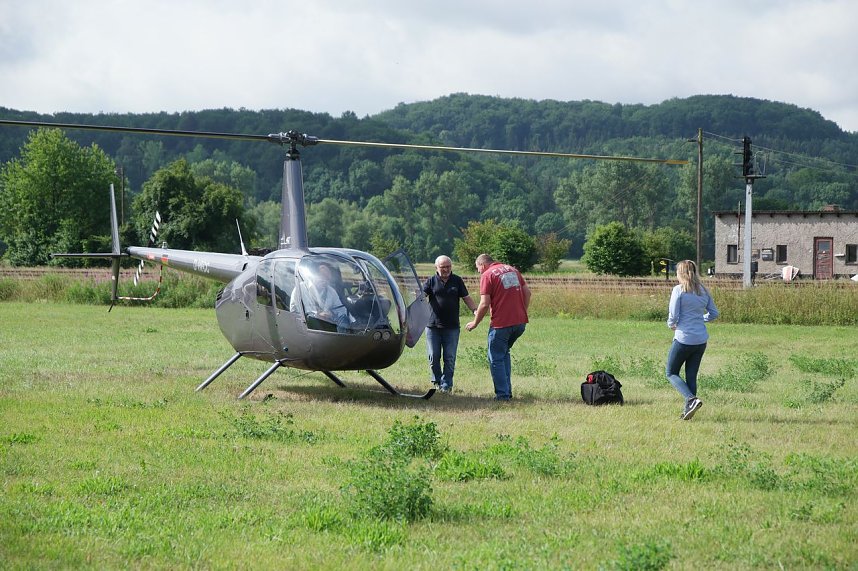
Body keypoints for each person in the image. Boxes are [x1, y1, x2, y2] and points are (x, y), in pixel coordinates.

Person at [465, 254, 531, 401]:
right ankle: (507, 391)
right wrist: (522, 311)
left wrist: (475, 323)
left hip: (501, 324)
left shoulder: (488, 275)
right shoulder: (512, 270)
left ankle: (502, 395)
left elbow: (484, 303)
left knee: (495, 358)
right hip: (520, 323)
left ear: (482, 265)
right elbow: (527, 292)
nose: (478, 272)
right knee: (503, 353)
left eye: (478, 269)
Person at [666, 259, 719, 420]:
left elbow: (673, 315)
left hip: (684, 338)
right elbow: (714, 313)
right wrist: (700, 318)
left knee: (671, 372)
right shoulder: (703, 290)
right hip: (700, 340)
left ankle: (691, 399)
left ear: (681, 273)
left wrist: (671, 324)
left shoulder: (679, 290)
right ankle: (689, 410)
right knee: (691, 376)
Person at [423, 255, 478, 393]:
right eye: (443, 267)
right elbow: (420, 297)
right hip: (432, 326)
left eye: (448, 266)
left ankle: (446, 385)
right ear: (437, 268)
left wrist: (475, 310)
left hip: (452, 327)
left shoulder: (457, 280)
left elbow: (466, 298)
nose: (446, 269)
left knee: (450, 357)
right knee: (434, 356)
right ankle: (437, 380)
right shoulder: (430, 281)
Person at [291, 262, 350, 332]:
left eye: (327, 279)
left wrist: (333, 314)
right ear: (314, 275)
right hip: (306, 328)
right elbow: (294, 311)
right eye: (322, 277)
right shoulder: (300, 288)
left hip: (327, 327)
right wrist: (316, 315)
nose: (324, 281)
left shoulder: (331, 292)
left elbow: (341, 310)